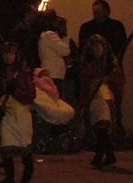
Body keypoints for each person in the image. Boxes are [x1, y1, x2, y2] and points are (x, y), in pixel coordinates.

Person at [78, 33, 124, 169]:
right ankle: (104, 155)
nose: (98, 49)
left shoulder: (110, 63)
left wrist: (109, 78)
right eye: (95, 46)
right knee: (99, 128)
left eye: (100, 46)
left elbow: (119, 79)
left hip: (105, 97)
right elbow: (84, 82)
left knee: (103, 126)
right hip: (93, 98)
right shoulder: (88, 64)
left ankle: (103, 155)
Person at [0, 41, 36, 183]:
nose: (8, 57)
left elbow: (31, 95)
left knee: (23, 145)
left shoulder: (24, 74)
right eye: (5, 53)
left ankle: (28, 169)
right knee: (6, 144)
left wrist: (16, 92)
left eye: (11, 53)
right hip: (7, 114)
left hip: (21, 114)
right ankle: (9, 176)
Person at [37, 9, 72, 98]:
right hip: (53, 73)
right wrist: (65, 37)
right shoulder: (49, 35)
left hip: (51, 73)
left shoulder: (43, 35)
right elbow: (65, 50)